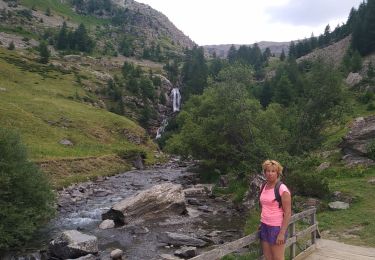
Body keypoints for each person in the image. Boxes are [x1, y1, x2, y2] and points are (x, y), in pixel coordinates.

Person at [259, 159, 292, 260]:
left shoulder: (282, 189)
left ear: (278, 173)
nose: (270, 173)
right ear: (264, 172)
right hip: (264, 225)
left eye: (273, 171)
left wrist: (282, 233)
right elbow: (264, 205)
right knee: (268, 258)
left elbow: (287, 213)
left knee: (278, 258)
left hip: (276, 228)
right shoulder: (263, 186)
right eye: (268, 171)